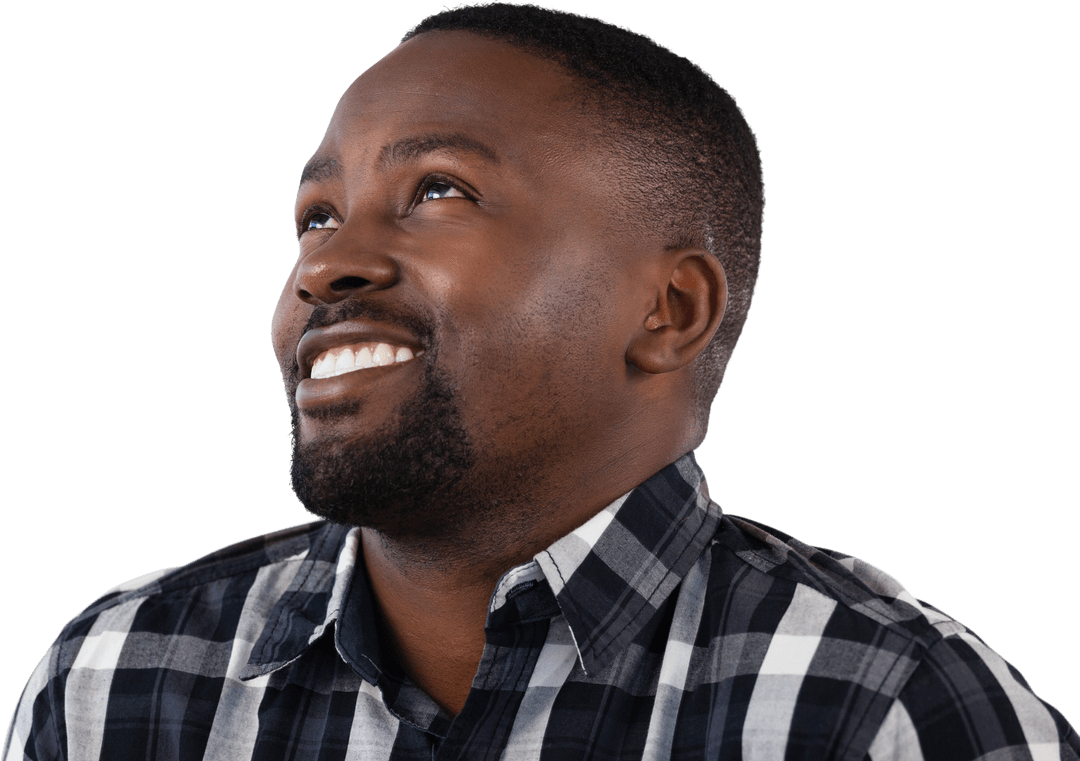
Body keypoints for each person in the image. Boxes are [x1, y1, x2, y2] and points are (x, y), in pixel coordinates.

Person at [4, 3, 1076, 759]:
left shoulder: (883, 709)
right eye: (316, 216)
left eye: (438, 190)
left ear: (671, 311)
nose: (325, 265)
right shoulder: (117, 677)